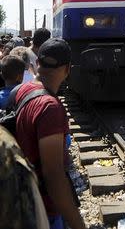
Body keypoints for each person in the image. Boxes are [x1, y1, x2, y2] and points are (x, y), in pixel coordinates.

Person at [15, 38, 86, 229]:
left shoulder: (24, 89)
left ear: (37, 63)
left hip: (26, 198)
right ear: (67, 69)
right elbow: (53, 175)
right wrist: (78, 224)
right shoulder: (49, 108)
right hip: (43, 210)